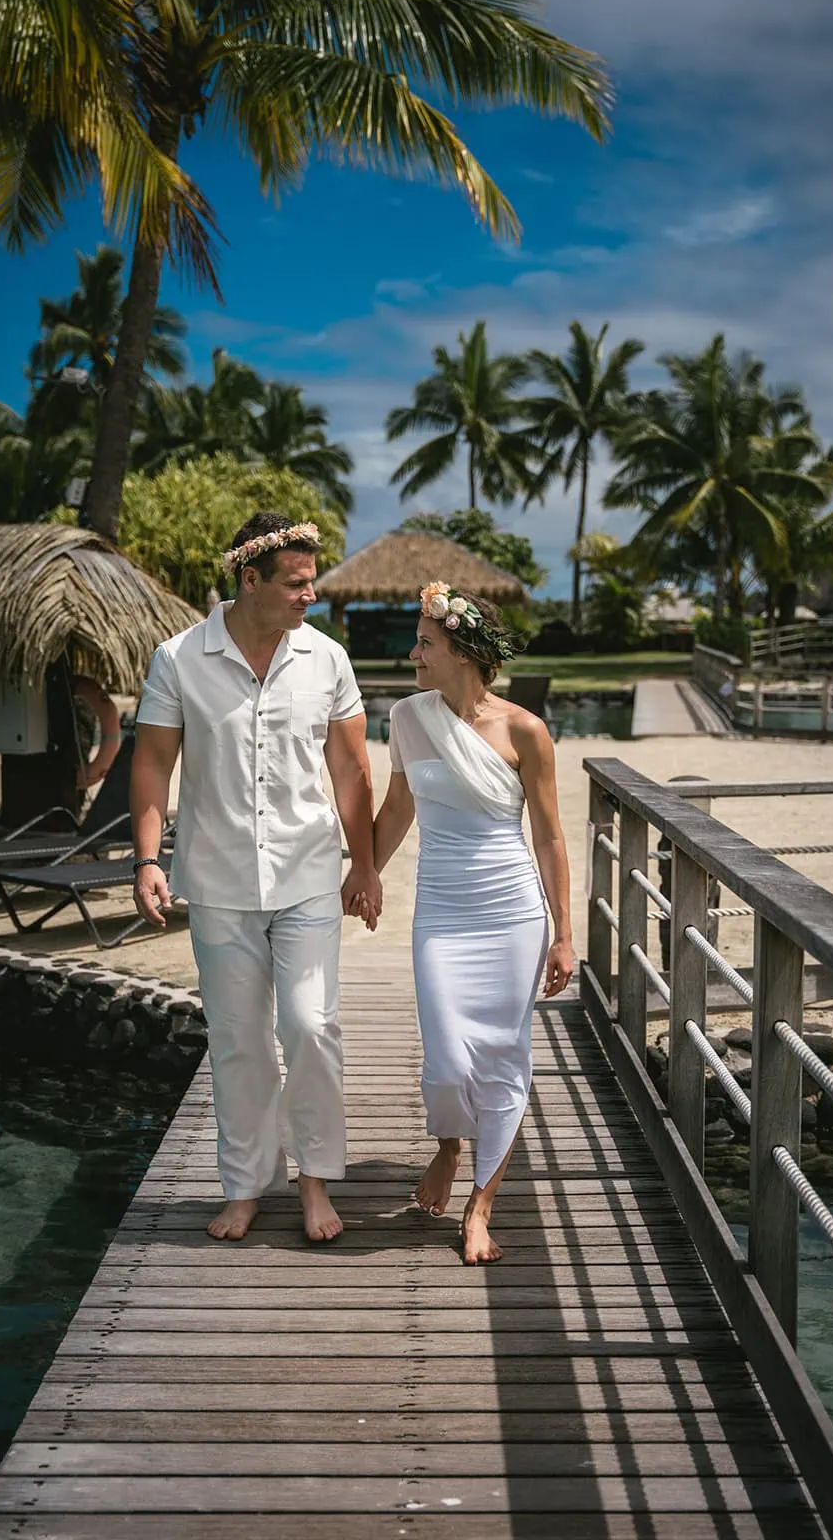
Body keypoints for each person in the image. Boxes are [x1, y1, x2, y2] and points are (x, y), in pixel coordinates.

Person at [130, 512, 382, 1243]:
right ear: (250, 579)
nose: (310, 596)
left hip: (307, 874)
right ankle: (243, 1186)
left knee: (310, 1025)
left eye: (312, 583)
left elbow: (351, 770)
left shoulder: (328, 659)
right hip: (214, 880)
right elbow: (152, 762)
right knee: (238, 1039)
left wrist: (363, 863)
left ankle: (313, 1183)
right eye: (295, 584)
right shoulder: (179, 658)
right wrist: (148, 857)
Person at [372, 582, 574, 1265]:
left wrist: (565, 934)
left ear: (463, 653)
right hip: (440, 910)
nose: (413, 653)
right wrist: (361, 872)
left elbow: (548, 838)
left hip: (512, 912)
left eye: (425, 642)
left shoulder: (524, 730)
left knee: (501, 1056)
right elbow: (397, 807)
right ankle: (449, 1149)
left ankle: (480, 1206)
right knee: (446, 1056)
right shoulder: (407, 717)